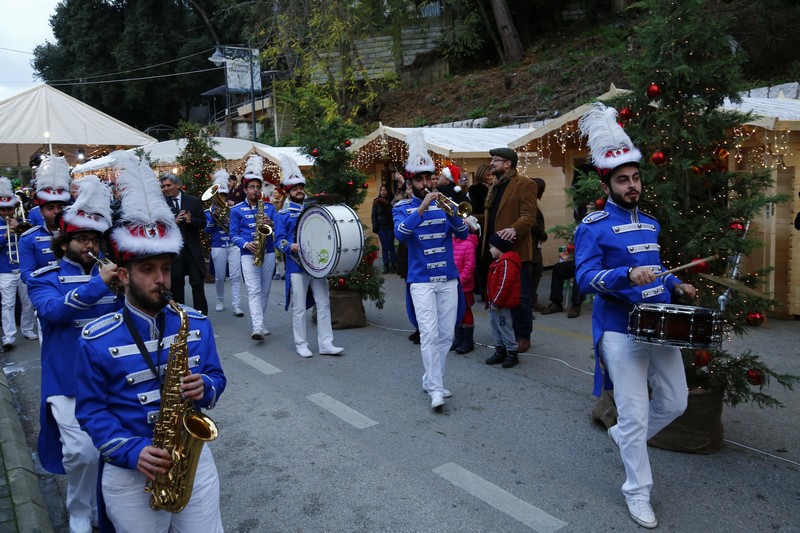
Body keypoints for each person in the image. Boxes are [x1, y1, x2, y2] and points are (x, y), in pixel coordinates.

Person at [74, 151, 226, 532]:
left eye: (165, 268)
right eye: (147, 270)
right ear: (123, 275)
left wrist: (204, 386)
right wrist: (131, 451)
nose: (162, 279)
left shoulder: (195, 323)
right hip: (130, 472)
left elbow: (216, 377)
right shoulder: (96, 339)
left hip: (193, 463)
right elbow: (91, 413)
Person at [575, 103, 696, 530]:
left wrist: (675, 286)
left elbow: (656, 276)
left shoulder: (651, 225)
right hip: (618, 331)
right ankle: (637, 491)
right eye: (623, 179)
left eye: (636, 177)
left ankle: (625, 435)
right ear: (608, 183)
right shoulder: (592, 225)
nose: (632, 185)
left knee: (676, 400)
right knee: (635, 412)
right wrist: (625, 273)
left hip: (657, 325)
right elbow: (585, 279)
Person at [27, 176, 122, 533]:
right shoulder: (43, 277)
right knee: (82, 451)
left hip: (109, 375)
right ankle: (79, 508)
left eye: (95, 239)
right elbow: (54, 312)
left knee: (111, 447)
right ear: (64, 242)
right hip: (66, 378)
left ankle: (104, 505)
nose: (90, 245)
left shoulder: (110, 273)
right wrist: (100, 285)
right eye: (83, 239)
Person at [393, 130, 468, 410]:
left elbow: (461, 234)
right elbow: (401, 234)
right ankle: (436, 388)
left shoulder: (446, 205)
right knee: (429, 333)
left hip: (447, 279)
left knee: (447, 335)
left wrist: (452, 214)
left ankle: (431, 378)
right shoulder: (402, 208)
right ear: (411, 183)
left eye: (429, 178)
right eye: (420, 180)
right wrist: (421, 209)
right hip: (422, 281)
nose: (426, 183)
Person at [274, 156, 343, 358]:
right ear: (288, 191)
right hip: (296, 266)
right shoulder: (282, 215)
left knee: (323, 302)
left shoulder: (313, 210)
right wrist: (290, 246)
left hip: (317, 264)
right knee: (299, 308)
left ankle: (326, 343)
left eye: (301, 187)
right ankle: (301, 344)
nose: (299, 191)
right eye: (295, 189)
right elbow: (278, 240)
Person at [476, 148, 537, 354]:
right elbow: (494, 217)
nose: (492, 163)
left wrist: (514, 229)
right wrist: (475, 219)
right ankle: (506, 333)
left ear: (508, 164)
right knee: (499, 294)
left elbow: (529, 216)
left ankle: (523, 336)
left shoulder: (525, 184)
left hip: (516, 251)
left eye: (496, 160)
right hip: (495, 250)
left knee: (519, 297)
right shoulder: (495, 186)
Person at [229, 154, 277, 340]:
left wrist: (271, 224)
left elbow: (278, 231)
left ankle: (261, 322)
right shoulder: (236, 210)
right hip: (248, 253)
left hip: (269, 251)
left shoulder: (269, 208)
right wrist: (246, 244)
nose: (255, 190)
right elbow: (233, 235)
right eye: (252, 187)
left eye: (258, 187)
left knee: (265, 290)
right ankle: (257, 326)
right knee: (254, 290)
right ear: (245, 189)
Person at [160, 174, 208, 315]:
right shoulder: (162, 203)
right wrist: (174, 222)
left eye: (168, 185)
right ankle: (180, 315)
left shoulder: (193, 201)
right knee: (177, 285)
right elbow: (160, 227)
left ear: (178, 185)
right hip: (175, 252)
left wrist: (190, 220)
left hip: (192, 250)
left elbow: (203, 223)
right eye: (163, 186)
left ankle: (200, 315)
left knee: (197, 284)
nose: (166, 189)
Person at [19, 155, 71, 283]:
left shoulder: (76, 234)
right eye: (50, 208)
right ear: (41, 211)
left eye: (60, 206)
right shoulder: (28, 238)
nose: (56, 211)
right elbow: (26, 273)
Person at [0, 177, 37, 351]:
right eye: (2, 210)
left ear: (14, 208)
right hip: (5, 270)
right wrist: (5, 235)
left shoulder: (21, 222)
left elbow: (31, 241)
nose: (6, 213)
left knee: (28, 302)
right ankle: (8, 336)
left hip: (22, 268)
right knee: (8, 304)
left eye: (9, 209)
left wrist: (20, 227)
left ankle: (28, 329)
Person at [204, 169, 243, 316]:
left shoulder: (233, 210)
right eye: (218, 196)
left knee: (235, 276)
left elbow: (237, 228)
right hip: (218, 246)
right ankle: (220, 300)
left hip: (233, 245)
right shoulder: (208, 212)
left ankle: (236, 305)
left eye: (223, 196)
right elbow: (207, 231)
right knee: (220, 277)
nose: (221, 198)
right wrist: (214, 220)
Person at [484, 232, 522, 368]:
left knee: (505, 328)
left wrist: (496, 302)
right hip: (494, 304)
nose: (490, 250)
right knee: (495, 328)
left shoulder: (506, 263)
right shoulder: (498, 262)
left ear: (500, 247)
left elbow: (504, 284)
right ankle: (500, 351)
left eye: (492, 247)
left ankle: (512, 353)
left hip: (501, 305)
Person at [451, 217, 479, 354]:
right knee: (456, 312)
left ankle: (468, 341)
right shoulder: (452, 242)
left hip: (463, 286)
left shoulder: (468, 244)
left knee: (466, 311)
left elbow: (469, 267)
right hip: (452, 285)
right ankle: (458, 338)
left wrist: (459, 281)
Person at [540, 244, 584, 318]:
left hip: (592, 263)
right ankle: (556, 302)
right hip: (578, 261)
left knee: (579, 270)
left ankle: (576, 304)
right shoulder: (580, 234)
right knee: (558, 268)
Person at [530, 178, 548, 312]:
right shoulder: (530, 204)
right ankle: (530, 301)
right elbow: (532, 223)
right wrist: (543, 235)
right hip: (531, 244)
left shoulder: (531, 203)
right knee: (534, 272)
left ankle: (531, 300)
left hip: (534, 244)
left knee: (536, 271)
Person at [371, 184, 397, 274]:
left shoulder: (391, 201)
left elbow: (393, 212)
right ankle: (386, 265)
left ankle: (393, 264)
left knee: (391, 246)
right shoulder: (376, 201)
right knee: (385, 247)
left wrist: (387, 204)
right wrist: (375, 226)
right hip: (381, 227)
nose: (383, 192)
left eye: (385, 190)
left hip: (390, 226)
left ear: (388, 191)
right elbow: (373, 215)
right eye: (381, 190)